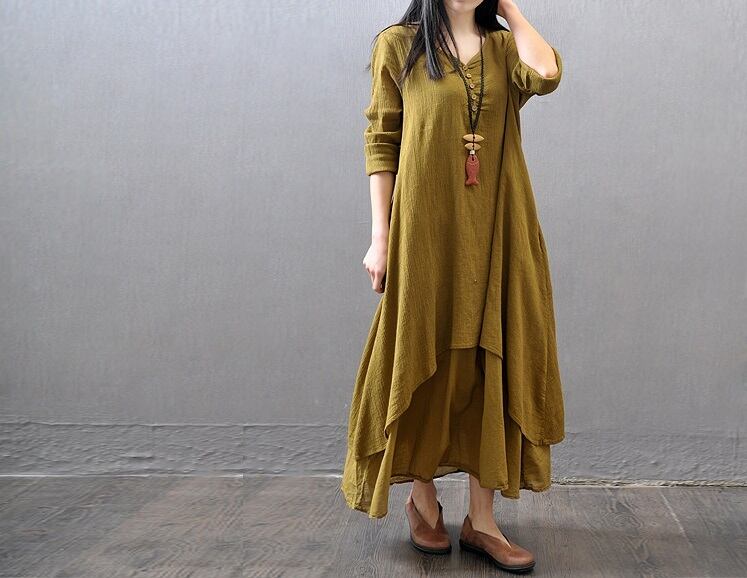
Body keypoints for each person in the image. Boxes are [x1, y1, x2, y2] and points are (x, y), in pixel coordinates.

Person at [341, 0, 566, 572]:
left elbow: (546, 74)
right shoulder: (399, 45)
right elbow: (382, 139)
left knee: (490, 361)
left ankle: (482, 522)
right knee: (426, 353)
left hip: (498, 225)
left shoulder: (503, 48)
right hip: (425, 229)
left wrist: (509, 9)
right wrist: (380, 237)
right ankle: (423, 502)